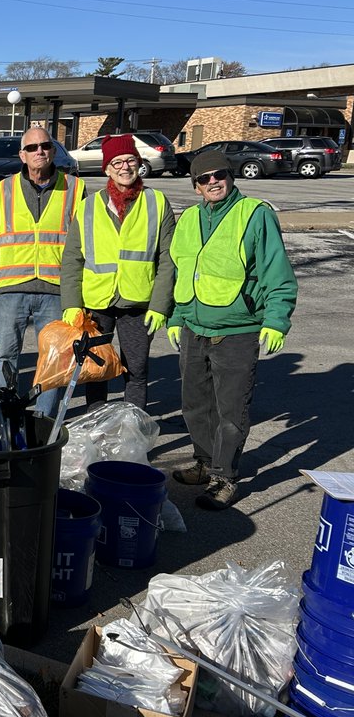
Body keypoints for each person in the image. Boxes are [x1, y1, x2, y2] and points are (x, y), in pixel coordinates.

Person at [167, 149, 297, 510]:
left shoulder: (254, 215)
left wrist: (275, 320)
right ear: (195, 186)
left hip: (237, 329)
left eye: (219, 175)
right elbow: (182, 272)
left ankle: (224, 477)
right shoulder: (189, 218)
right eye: (204, 179)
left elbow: (277, 272)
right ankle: (204, 463)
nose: (213, 182)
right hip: (193, 327)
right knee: (194, 405)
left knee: (230, 410)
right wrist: (176, 316)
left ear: (231, 176)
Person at [60, 134, 176, 411]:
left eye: (130, 160)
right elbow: (72, 259)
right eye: (117, 162)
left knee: (136, 370)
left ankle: (131, 430)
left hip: (138, 303)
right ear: (107, 169)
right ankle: (95, 426)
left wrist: (160, 306)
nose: (125, 167)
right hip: (96, 303)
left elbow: (169, 259)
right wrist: (71, 305)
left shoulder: (157, 202)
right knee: (96, 370)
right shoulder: (88, 207)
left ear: (138, 163)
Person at [0, 126, 86, 417]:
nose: (39, 151)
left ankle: (44, 418)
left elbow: (84, 242)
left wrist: (77, 292)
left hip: (56, 289)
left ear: (53, 150)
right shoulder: (4, 189)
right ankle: (5, 414)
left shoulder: (75, 188)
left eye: (44, 145)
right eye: (31, 148)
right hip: (12, 287)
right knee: (4, 354)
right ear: (22, 155)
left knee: (53, 358)